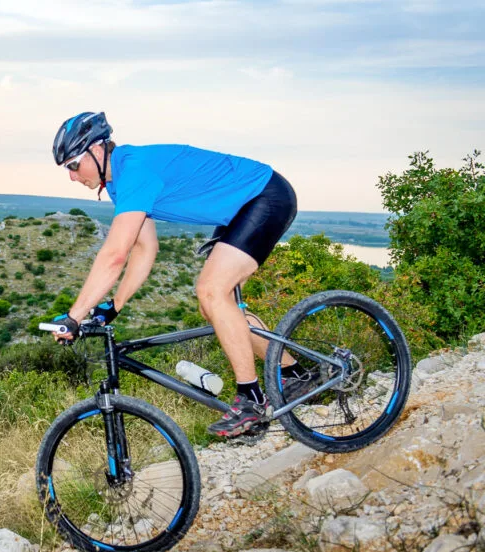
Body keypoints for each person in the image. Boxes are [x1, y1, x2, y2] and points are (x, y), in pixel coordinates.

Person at [48, 111, 309, 438]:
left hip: (264, 195)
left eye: (73, 165)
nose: (72, 176)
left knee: (212, 291)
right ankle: (296, 374)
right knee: (215, 303)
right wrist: (113, 305)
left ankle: (251, 401)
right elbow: (144, 249)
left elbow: (114, 254)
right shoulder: (119, 183)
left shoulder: (135, 170)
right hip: (242, 207)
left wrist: (75, 315)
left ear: (98, 151)